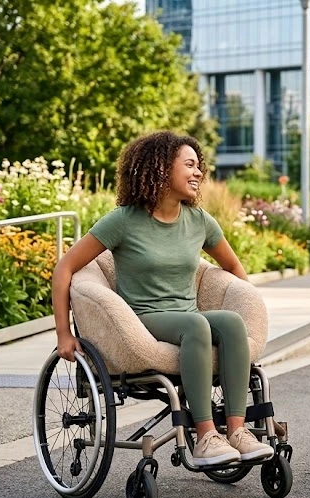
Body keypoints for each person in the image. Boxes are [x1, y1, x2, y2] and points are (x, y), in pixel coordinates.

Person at [51, 131, 273, 467]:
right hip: (142, 320)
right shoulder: (124, 221)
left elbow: (232, 266)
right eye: (189, 165)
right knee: (196, 325)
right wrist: (64, 334)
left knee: (230, 322)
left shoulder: (198, 221)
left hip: (186, 318)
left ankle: (237, 431)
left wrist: (247, 299)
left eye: (200, 166)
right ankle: (206, 437)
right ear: (161, 169)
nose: (198, 173)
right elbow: (65, 268)